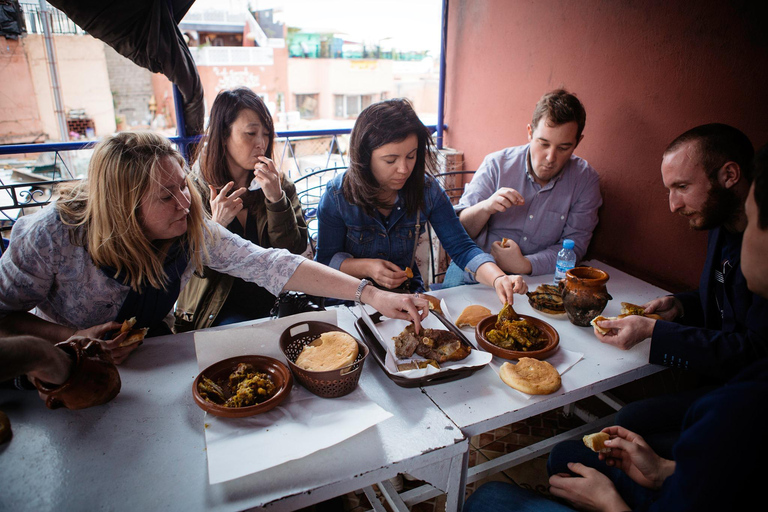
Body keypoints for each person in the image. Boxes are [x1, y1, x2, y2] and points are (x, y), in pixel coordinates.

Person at [462, 142, 768, 512]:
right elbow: (724, 303)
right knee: (584, 444)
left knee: (487, 498)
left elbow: (748, 349)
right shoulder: (722, 226)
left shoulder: (733, 411)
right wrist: (683, 306)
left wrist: (610, 504)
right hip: (683, 473)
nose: (672, 205)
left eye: (682, 188)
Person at [0, 132, 428, 365]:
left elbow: (272, 263)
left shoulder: (190, 227)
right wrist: (71, 337)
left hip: (149, 355)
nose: (186, 204)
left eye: (183, 187)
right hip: (63, 369)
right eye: (166, 197)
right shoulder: (51, 237)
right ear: (123, 208)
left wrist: (370, 294)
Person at [314, 98, 527, 305]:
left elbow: (461, 247)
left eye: (411, 156)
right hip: (350, 301)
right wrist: (366, 267)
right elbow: (324, 263)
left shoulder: (426, 190)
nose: (404, 169)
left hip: (405, 296)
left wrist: (498, 278)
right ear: (364, 157)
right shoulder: (337, 195)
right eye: (390, 160)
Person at [175, 88, 307, 331]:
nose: (261, 143)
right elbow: (188, 271)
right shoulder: (195, 190)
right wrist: (215, 227)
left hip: (275, 299)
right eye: (250, 133)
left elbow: (293, 252)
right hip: (217, 308)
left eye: (266, 134)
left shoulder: (279, 185)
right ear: (223, 135)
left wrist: (277, 201)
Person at [453, 89, 602, 278]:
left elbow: (575, 247)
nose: (550, 157)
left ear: (577, 142)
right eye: (543, 143)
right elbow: (459, 232)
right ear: (530, 132)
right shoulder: (496, 165)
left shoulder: (585, 181)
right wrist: (485, 208)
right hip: (475, 274)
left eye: (564, 148)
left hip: (537, 279)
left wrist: (525, 265)